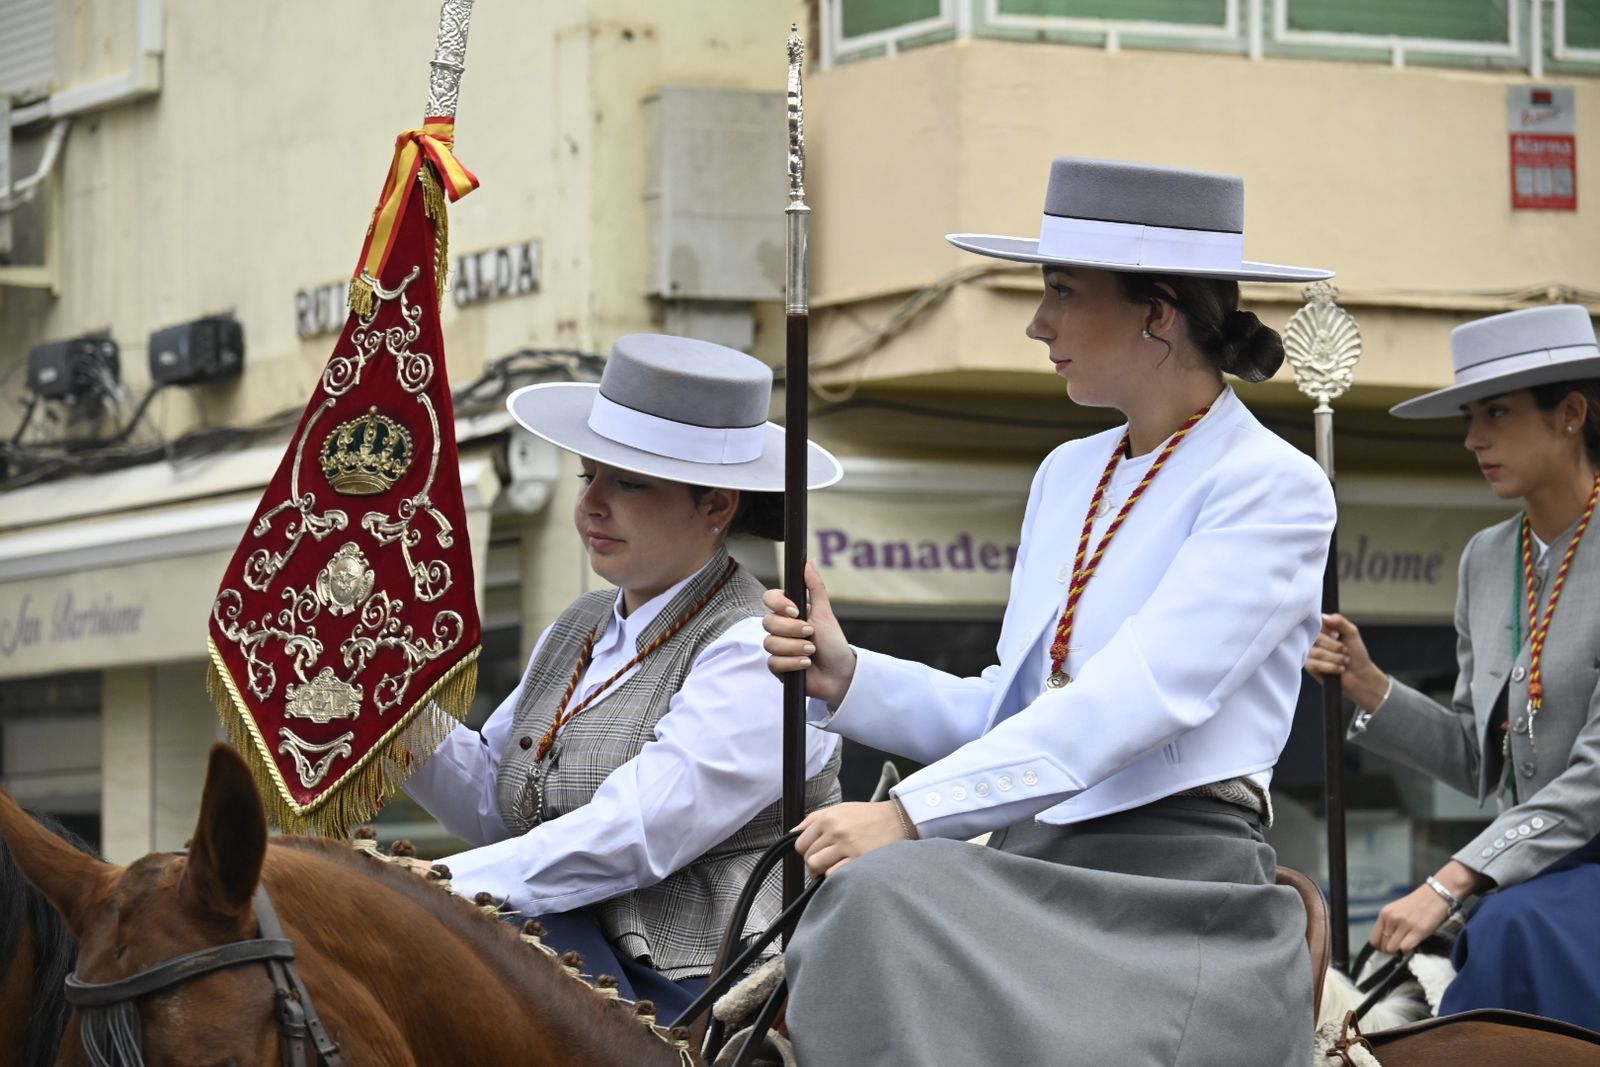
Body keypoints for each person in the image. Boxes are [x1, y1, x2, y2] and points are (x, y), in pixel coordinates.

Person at [762, 157, 1337, 1066]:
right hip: (1035, 858)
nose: (1038, 323)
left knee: (879, 898)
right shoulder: (1067, 473)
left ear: (1159, 312)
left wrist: (910, 815)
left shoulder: (1274, 487)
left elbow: (1140, 697)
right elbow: (1019, 711)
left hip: (1175, 887)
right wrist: (851, 676)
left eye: (1062, 292)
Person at [404, 333, 844, 1018]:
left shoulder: (757, 646)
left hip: (702, 987)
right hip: (562, 949)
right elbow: (497, 805)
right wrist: (389, 709)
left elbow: (640, 829)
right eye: (588, 477)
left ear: (717, 505)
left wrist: (438, 880)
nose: (591, 505)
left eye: (629, 483)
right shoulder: (579, 625)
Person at [1306, 304, 1600, 1030]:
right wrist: (1370, 686)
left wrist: (1455, 875)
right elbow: (1481, 757)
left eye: (1496, 413)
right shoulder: (1487, 559)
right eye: (1470, 416)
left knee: (1502, 929)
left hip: (1557, 876)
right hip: (1524, 871)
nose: (1473, 439)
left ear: (1570, 413)